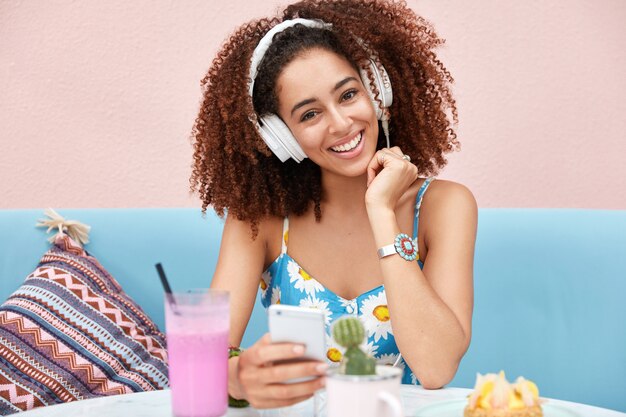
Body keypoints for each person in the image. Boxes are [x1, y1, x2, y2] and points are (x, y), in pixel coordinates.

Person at [190, 0, 477, 409]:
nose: (341, 124)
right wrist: (238, 377)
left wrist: (381, 211)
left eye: (347, 94)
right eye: (309, 114)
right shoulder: (262, 222)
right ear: (281, 137)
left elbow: (436, 368)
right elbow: (202, 361)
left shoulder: (444, 206)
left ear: (376, 92)